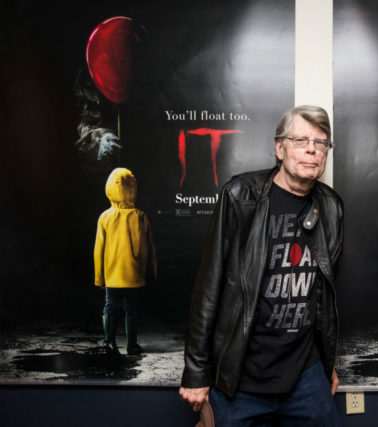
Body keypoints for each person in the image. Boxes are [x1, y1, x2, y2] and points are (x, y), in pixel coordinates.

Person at [179, 105, 343, 426]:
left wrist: (327, 363)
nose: (312, 149)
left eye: (321, 142)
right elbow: (208, 288)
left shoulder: (331, 206)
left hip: (304, 374)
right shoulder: (241, 196)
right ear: (279, 148)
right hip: (242, 376)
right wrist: (196, 372)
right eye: (301, 140)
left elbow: (323, 296)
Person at [94, 167, 157, 355]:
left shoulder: (104, 217)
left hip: (112, 275)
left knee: (110, 306)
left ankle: (109, 343)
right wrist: (152, 272)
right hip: (134, 274)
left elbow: (98, 250)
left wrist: (99, 278)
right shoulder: (140, 216)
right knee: (132, 309)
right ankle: (131, 345)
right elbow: (151, 247)